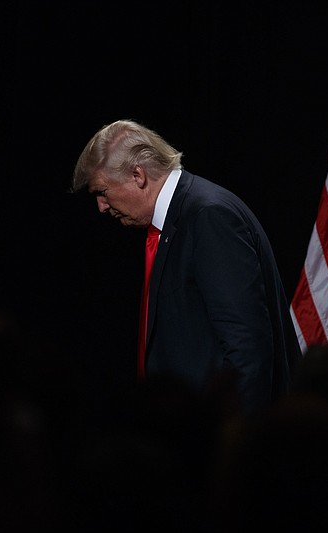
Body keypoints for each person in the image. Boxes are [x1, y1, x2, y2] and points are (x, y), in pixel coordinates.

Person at [71, 119, 302, 417]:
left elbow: (248, 349)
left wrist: (234, 444)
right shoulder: (174, 222)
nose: (101, 206)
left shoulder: (208, 216)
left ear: (137, 175)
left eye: (102, 191)